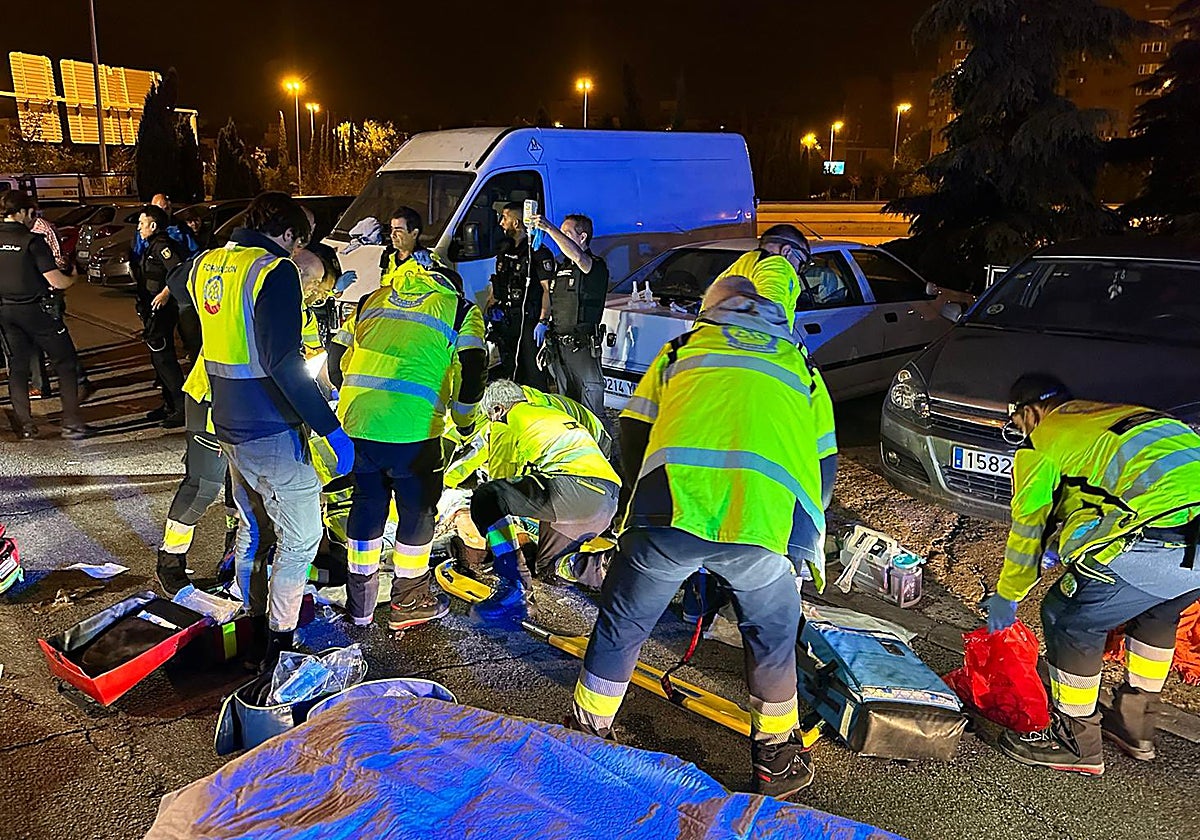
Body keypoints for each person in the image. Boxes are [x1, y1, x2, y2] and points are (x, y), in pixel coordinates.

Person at [567, 274, 836, 799]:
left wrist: (638, 501)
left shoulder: (679, 350)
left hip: (671, 512)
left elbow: (634, 429)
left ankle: (588, 737)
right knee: (773, 636)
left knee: (623, 625)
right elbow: (823, 470)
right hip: (759, 526)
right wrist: (793, 534)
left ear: (711, 311)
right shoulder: (803, 367)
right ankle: (776, 759)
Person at [172, 191, 354, 671]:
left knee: (253, 525)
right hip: (269, 425)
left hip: (226, 420)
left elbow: (177, 283)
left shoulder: (209, 262)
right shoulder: (275, 271)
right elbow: (282, 362)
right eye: (298, 244)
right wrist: (330, 428)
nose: (298, 254)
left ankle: (252, 621)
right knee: (301, 539)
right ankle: (280, 644)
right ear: (290, 234)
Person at [987, 374, 1200, 775]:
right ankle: (1134, 725)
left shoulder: (1044, 437)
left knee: (1068, 617)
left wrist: (1009, 593)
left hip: (1156, 538)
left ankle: (1076, 743)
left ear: (1030, 411)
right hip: (1192, 545)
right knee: (1157, 612)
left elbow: (1028, 525)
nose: (1019, 430)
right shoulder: (1116, 418)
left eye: (1016, 421)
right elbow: (1102, 489)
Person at [336, 205, 487, 631]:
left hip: (359, 424)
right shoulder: (459, 309)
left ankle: (361, 607)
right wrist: (464, 422)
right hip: (414, 430)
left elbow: (334, 356)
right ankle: (408, 601)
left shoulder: (373, 298)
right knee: (417, 511)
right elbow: (473, 371)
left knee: (367, 503)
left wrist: (354, 398)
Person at [468, 379, 621, 624]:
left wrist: (501, 537)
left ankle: (513, 588)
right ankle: (603, 565)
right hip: (607, 498)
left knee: (486, 497)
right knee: (550, 569)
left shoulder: (508, 419)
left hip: (575, 489)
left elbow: (500, 477)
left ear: (497, 409)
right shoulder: (551, 411)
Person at [0, 190, 90, 440]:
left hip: (6, 312)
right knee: (65, 362)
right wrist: (72, 277)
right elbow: (56, 281)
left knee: (17, 368)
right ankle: (71, 422)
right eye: (31, 213)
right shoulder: (32, 241)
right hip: (37, 310)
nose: (32, 218)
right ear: (23, 212)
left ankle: (26, 426)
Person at [529, 213, 608, 417]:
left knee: (591, 410)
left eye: (567, 233)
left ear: (582, 237)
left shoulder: (594, 265)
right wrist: (544, 323)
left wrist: (549, 228)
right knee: (567, 407)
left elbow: (579, 258)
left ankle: (601, 447)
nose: (560, 237)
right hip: (560, 349)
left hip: (582, 347)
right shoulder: (562, 267)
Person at [488, 202, 556, 387]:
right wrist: (488, 310)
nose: (501, 223)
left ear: (517, 223)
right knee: (510, 367)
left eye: (505, 218)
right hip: (506, 318)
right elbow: (498, 283)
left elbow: (546, 289)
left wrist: (543, 321)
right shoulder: (504, 249)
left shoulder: (537, 252)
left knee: (532, 371)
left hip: (529, 320)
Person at [140, 205, 191, 428]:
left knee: (164, 358)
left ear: (153, 225)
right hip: (152, 309)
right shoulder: (151, 245)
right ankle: (168, 404)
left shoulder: (163, 246)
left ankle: (181, 408)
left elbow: (178, 270)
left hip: (163, 310)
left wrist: (164, 294)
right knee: (158, 359)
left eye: (142, 223)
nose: (139, 228)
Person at [716, 224, 811, 335]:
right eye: (801, 263)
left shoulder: (741, 264)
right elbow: (770, 315)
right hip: (745, 347)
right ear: (786, 251)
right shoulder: (778, 265)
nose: (797, 271)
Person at [131, 194, 196, 260]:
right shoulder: (144, 231)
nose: (163, 212)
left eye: (166, 208)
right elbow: (136, 255)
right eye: (158, 209)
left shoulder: (181, 228)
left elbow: (194, 252)